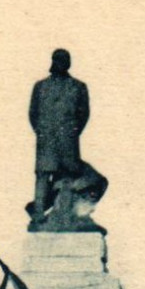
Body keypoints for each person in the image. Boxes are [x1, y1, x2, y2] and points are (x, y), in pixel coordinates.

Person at [28, 48, 92, 224]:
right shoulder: (40, 87)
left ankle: (65, 213)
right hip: (46, 141)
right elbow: (33, 114)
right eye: (58, 60)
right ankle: (38, 214)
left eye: (64, 60)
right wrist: (44, 132)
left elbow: (83, 114)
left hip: (68, 140)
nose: (61, 63)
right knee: (42, 176)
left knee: (68, 177)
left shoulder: (79, 87)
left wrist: (71, 132)